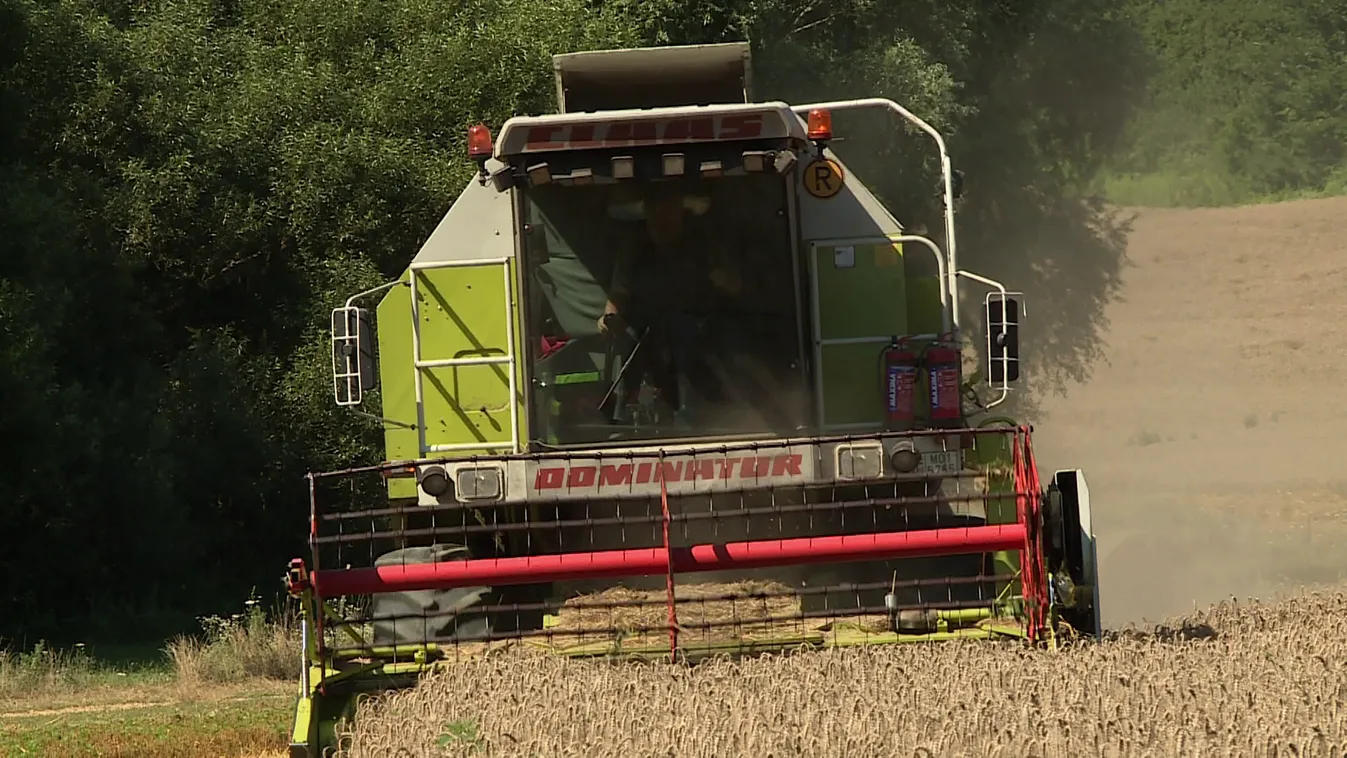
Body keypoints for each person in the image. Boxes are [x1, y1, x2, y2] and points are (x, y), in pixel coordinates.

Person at [596, 183, 739, 422]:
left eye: (668, 213)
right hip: (645, 329)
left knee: (682, 331)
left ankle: (696, 410)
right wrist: (608, 318)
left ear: (681, 213)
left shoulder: (701, 246)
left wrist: (724, 281)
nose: (661, 221)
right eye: (654, 214)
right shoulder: (634, 250)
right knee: (632, 340)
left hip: (697, 325)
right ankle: (623, 413)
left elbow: (734, 287)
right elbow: (618, 294)